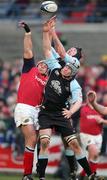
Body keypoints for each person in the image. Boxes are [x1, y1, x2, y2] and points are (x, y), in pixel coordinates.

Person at [37, 17, 98, 180]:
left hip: (64, 110)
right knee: (46, 141)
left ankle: (78, 170)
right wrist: (47, 32)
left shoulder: (74, 66)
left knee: (71, 143)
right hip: (48, 109)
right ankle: (43, 174)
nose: (69, 52)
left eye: (72, 51)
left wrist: (53, 33)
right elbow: (48, 48)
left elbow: (61, 51)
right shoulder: (57, 66)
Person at [14, 21, 48, 180]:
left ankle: (34, 174)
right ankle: (27, 175)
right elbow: (28, 49)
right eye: (40, 63)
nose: (42, 65)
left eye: (45, 65)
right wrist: (28, 32)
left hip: (37, 111)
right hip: (24, 107)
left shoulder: (47, 81)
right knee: (32, 138)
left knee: (39, 141)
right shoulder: (30, 69)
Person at [79, 92, 106, 180]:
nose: (90, 97)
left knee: (93, 157)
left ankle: (81, 176)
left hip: (98, 136)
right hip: (86, 135)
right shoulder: (82, 107)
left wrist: (102, 121)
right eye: (89, 95)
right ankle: (93, 175)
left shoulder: (100, 109)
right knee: (94, 152)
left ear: (96, 97)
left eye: (92, 95)